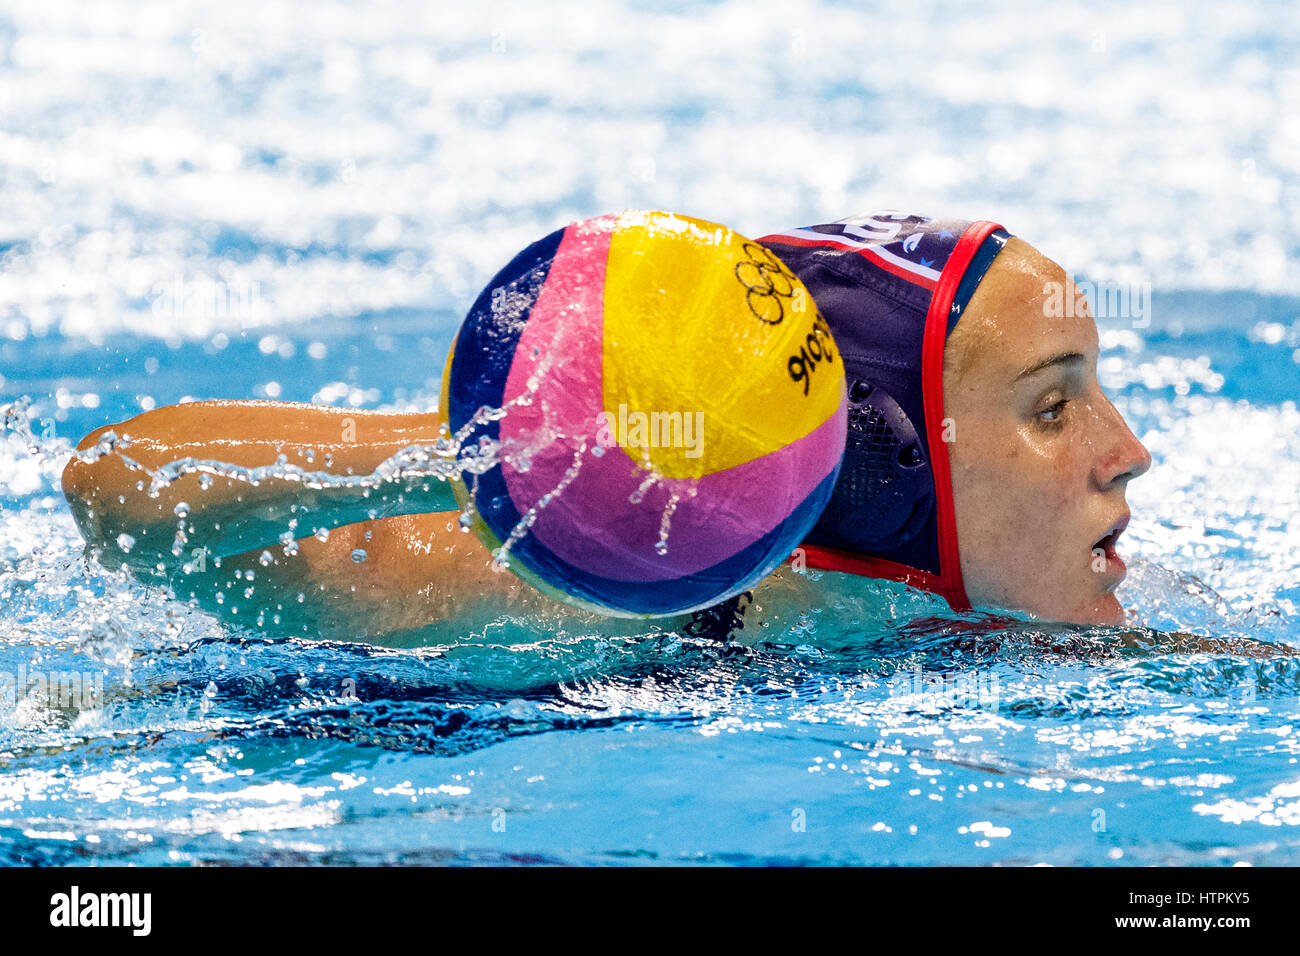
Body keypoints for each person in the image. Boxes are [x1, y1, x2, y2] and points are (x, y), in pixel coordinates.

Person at [59, 211, 1152, 642]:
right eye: (1053, 406)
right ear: (878, 464)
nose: (1130, 450)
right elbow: (117, 486)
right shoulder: (550, 600)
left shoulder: (1094, 640)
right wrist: (477, 460)